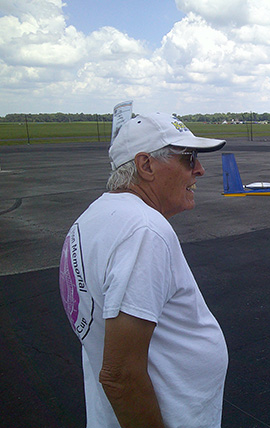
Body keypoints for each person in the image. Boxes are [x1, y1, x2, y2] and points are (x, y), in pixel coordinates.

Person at [58, 112, 228, 428]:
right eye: (189, 158)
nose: (200, 170)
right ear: (146, 165)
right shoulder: (144, 231)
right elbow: (119, 375)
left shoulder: (92, 219)